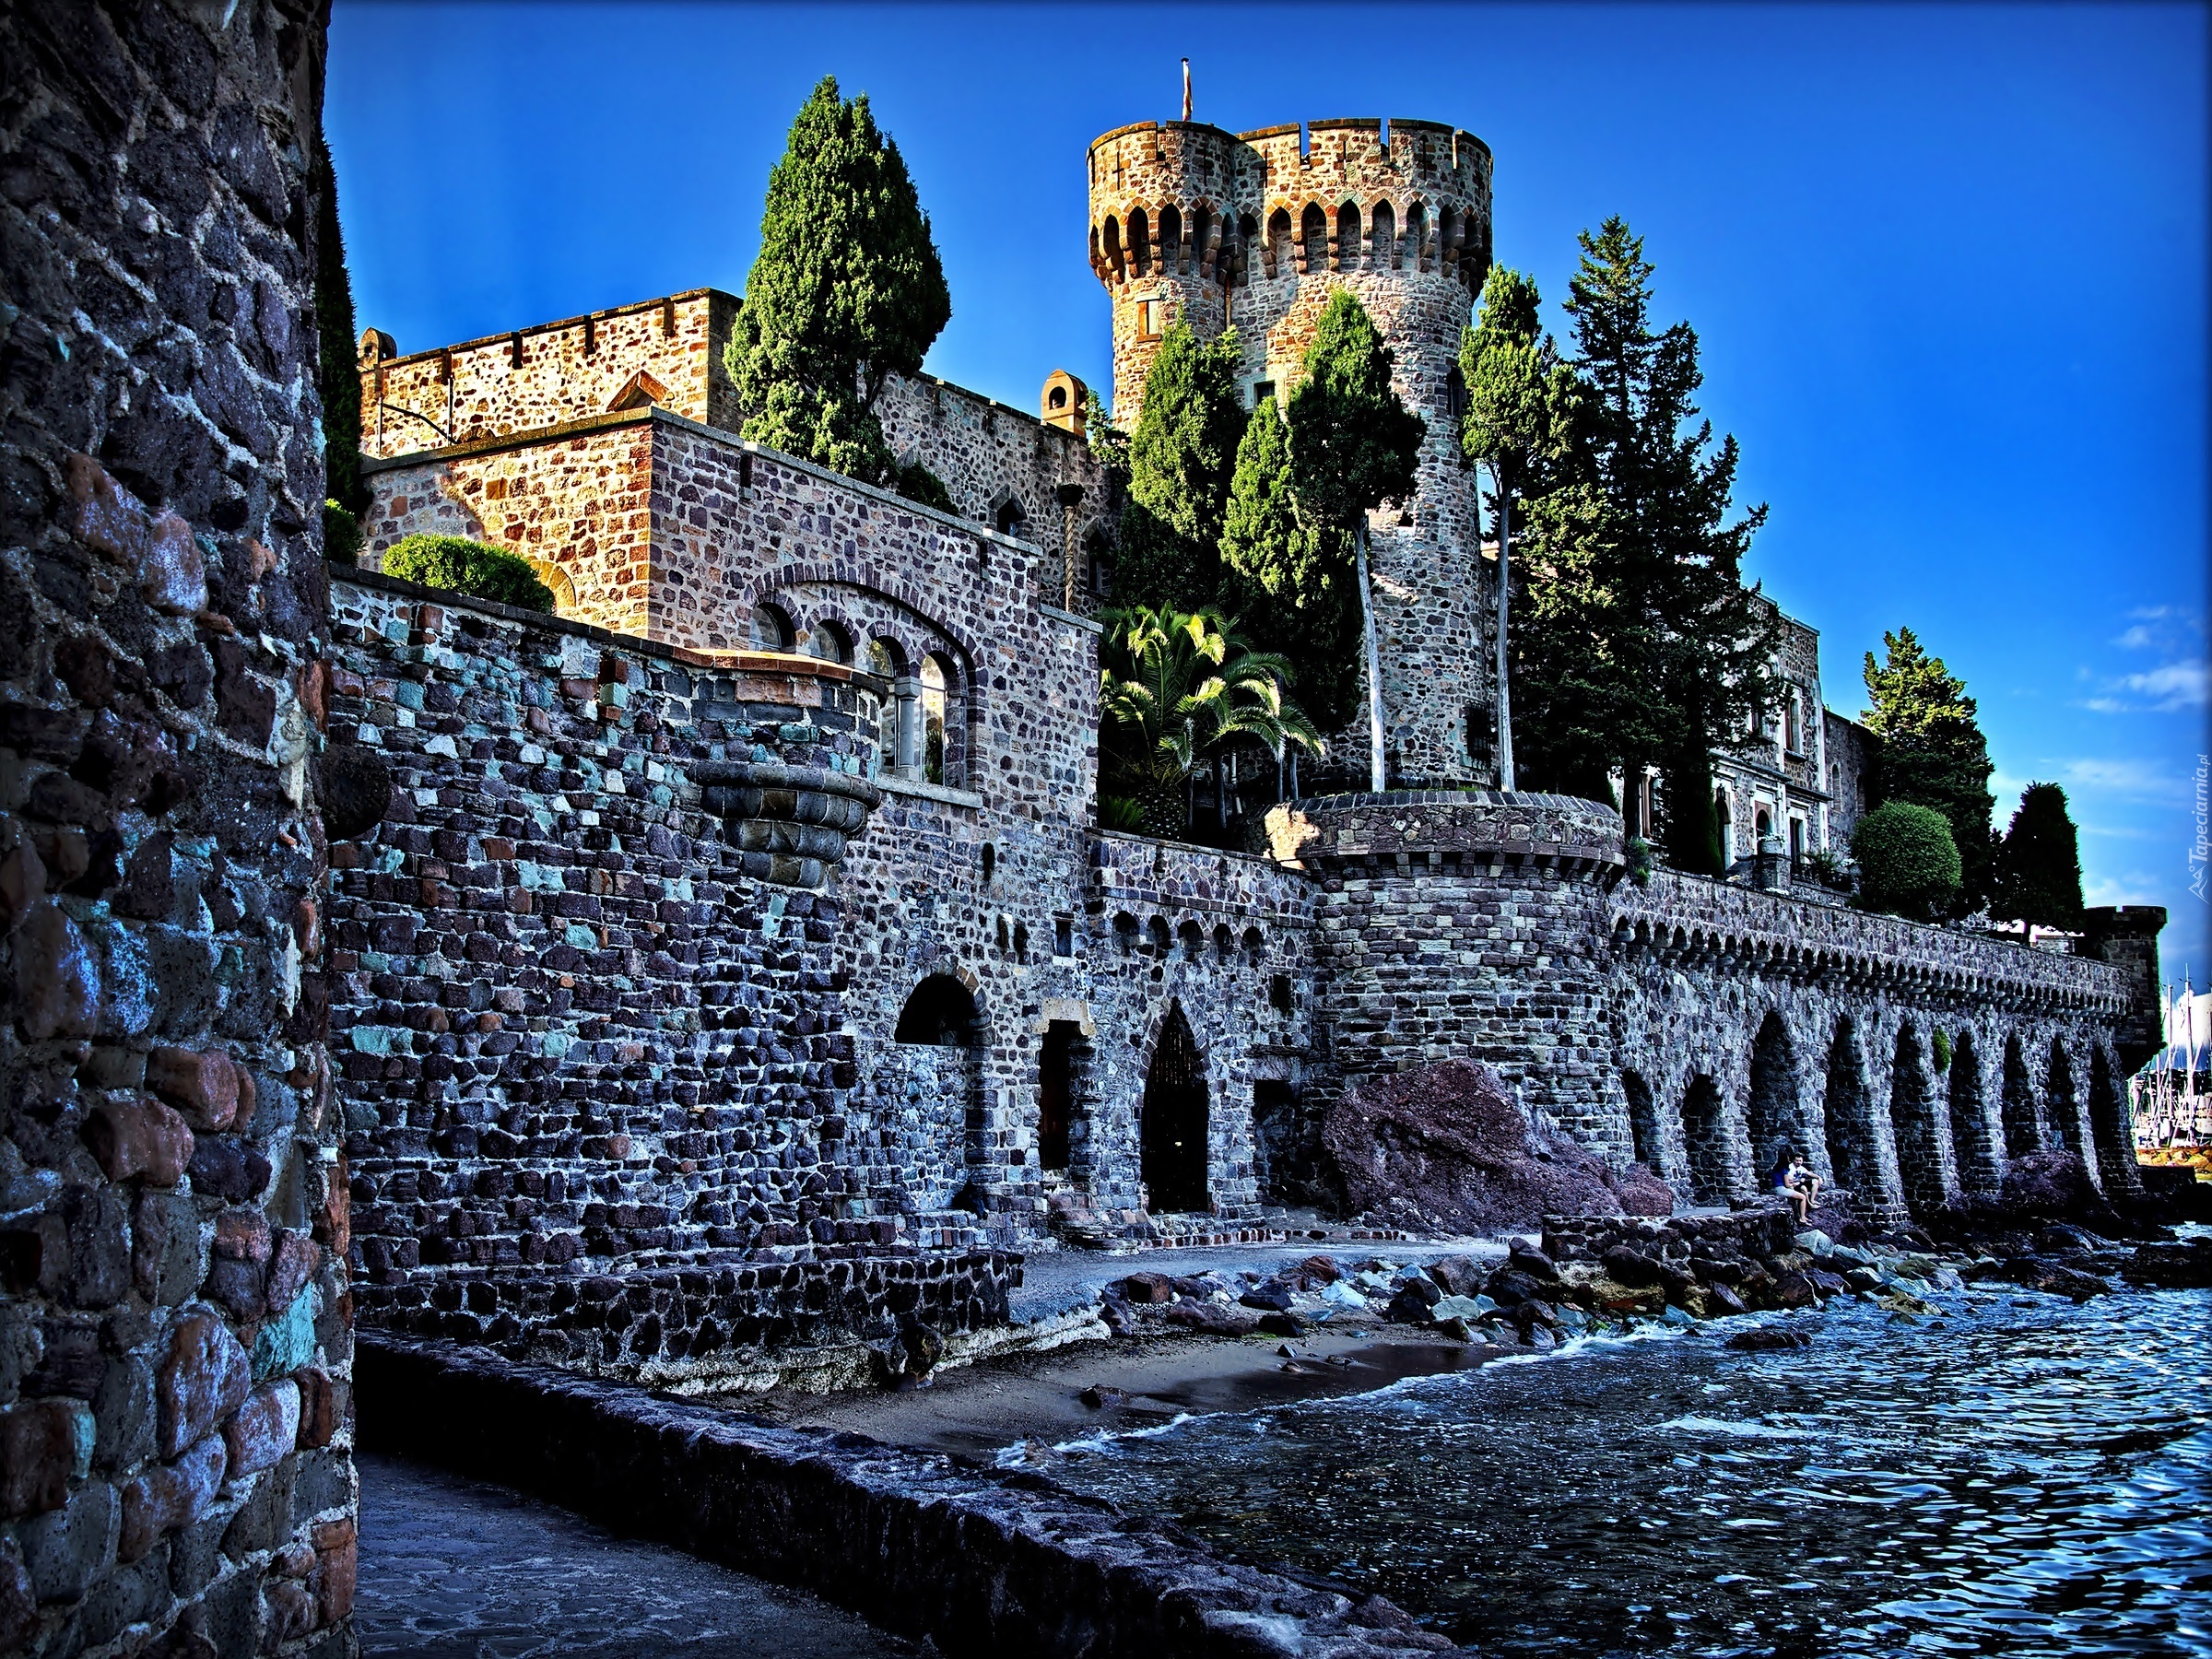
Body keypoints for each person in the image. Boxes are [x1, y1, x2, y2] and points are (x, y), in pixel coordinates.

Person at [1771, 1147, 1811, 1225]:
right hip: (1780, 1189)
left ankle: (1802, 1217)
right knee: (1803, 1197)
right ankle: (1802, 1218)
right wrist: (1794, 1184)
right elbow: (1787, 1184)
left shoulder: (1776, 1167)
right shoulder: (1785, 1169)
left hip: (1775, 1187)